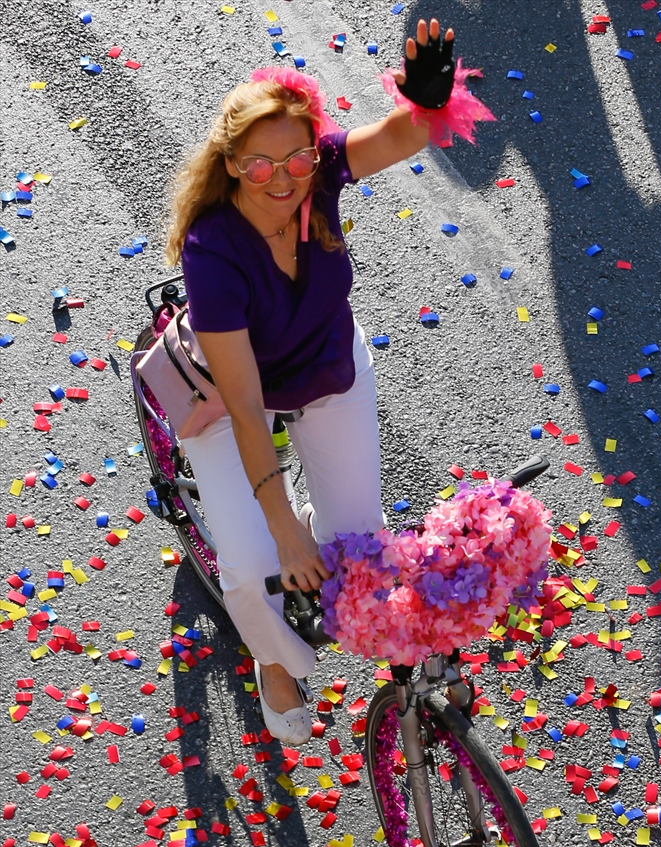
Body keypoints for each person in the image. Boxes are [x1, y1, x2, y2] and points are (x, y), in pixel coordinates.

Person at [164, 17, 491, 745]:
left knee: (357, 546)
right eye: (259, 165)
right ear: (230, 166)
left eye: (296, 159)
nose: (281, 180)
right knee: (252, 570)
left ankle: (315, 540)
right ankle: (275, 664)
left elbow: (402, 137)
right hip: (230, 397)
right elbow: (247, 408)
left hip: (324, 372)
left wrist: (427, 102)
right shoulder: (212, 250)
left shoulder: (320, 177)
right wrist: (281, 528)